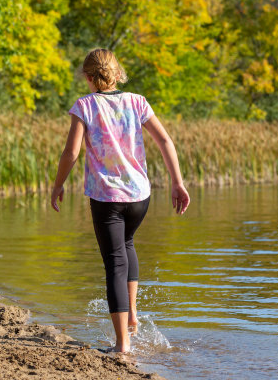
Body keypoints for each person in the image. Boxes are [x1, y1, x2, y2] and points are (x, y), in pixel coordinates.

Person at [50, 48, 190, 353]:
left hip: (106, 197)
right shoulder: (137, 101)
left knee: (114, 261)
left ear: (88, 77)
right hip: (140, 195)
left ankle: (122, 345)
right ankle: (133, 318)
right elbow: (165, 140)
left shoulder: (84, 105)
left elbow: (71, 152)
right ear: (117, 74)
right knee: (126, 246)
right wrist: (177, 183)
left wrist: (58, 184)